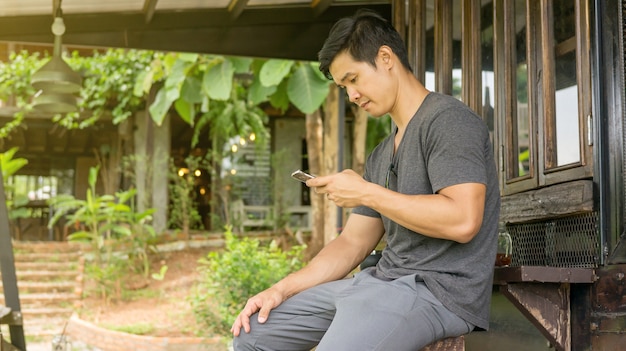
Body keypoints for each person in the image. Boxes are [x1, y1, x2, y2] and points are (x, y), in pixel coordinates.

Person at [231, 8, 500, 351]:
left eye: (353, 79)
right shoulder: (382, 153)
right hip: (378, 282)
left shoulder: (448, 121)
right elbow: (352, 244)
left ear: (385, 58)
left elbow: (463, 220)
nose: (352, 96)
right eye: (344, 87)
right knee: (254, 335)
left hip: (435, 292)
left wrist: (366, 192)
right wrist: (280, 289)